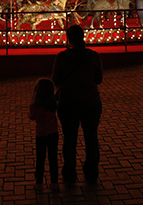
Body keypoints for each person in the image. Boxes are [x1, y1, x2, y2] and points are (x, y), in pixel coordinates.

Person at [52, 25, 103, 185]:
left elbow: (55, 79)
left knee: (69, 139)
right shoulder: (93, 56)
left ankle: (69, 172)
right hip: (90, 101)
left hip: (68, 102)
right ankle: (92, 171)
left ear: (69, 39)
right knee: (91, 137)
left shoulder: (61, 57)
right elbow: (99, 79)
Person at [28, 78, 59, 190]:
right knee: (53, 158)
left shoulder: (34, 106)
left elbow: (31, 117)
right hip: (53, 133)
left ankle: (39, 182)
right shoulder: (53, 104)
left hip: (41, 135)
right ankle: (54, 182)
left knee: (40, 159)